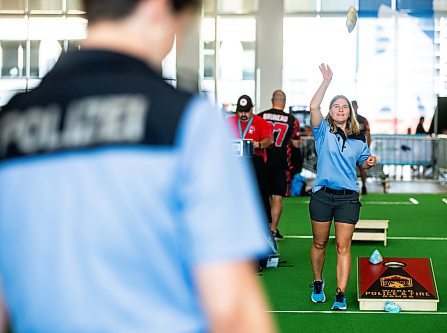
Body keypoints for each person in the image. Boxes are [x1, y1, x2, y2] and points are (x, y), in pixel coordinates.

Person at [0, 1, 276, 332]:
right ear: (156, 9)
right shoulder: (189, 121)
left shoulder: (10, 125)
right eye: (183, 23)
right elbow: (231, 310)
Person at [308, 64, 376, 310]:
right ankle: (318, 282)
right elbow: (313, 107)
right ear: (331, 111)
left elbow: (364, 162)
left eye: (344, 106)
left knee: (343, 246)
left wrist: (369, 161)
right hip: (323, 196)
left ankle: (340, 294)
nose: (340, 109)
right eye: (336, 106)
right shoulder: (323, 131)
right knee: (319, 243)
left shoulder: (359, 139)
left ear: (350, 112)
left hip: (348, 198)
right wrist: (327, 81)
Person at [259, 90, 301, 240]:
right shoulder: (292, 120)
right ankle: (273, 229)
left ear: (272, 100)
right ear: (284, 101)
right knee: (277, 197)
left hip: (261, 161)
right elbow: (296, 143)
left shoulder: (260, 116)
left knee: (262, 196)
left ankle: (261, 229)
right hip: (280, 161)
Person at [227, 95, 274, 226]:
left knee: (260, 196)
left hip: (256, 163)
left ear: (252, 109)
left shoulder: (261, 122)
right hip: (234, 164)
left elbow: (269, 140)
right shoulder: (228, 121)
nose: (243, 114)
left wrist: (258, 144)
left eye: (246, 111)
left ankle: (264, 227)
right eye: (240, 111)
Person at [351, 100, 371, 195]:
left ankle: (364, 186)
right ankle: (352, 187)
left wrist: (368, 148)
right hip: (349, 149)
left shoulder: (363, 120)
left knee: (363, 168)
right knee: (350, 169)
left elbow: (368, 134)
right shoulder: (347, 119)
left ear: (357, 107)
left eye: (354, 106)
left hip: (361, 149)